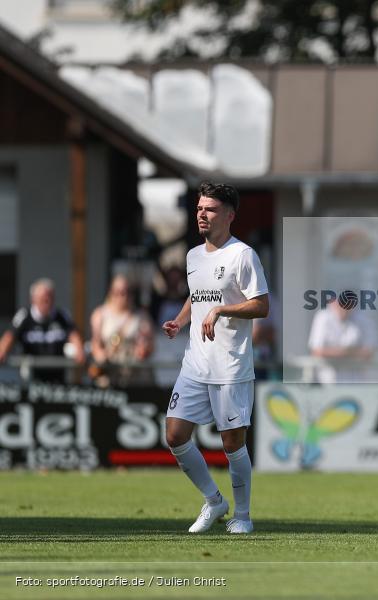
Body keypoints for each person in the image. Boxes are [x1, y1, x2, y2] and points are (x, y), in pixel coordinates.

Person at [162, 181, 269, 535]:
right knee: (175, 435)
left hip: (231, 364)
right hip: (196, 361)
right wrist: (179, 321)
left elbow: (261, 304)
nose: (201, 215)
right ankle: (214, 500)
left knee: (231, 443)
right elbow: (198, 296)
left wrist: (224, 309)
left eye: (209, 209)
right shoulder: (193, 256)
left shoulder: (243, 255)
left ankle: (243, 516)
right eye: (198, 208)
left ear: (229, 215)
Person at [0, 278, 85, 383]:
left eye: (50, 298)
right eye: (43, 299)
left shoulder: (61, 316)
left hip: (57, 378)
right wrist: (2, 350)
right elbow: (9, 336)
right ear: (33, 299)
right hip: (32, 378)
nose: (47, 302)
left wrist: (79, 350)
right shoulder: (24, 316)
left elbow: (74, 335)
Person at [89, 274, 155, 388]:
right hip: (109, 376)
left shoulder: (142, 317)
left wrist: (144, 350)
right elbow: (96, 343)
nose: (123, 296)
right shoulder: (100, 314)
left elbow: (150, 345)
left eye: (127, 292)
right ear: (111, 292)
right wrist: (101, 357)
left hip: (134, 376)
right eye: (118, 292)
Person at [307, 295, 377, 383]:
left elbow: (368, 352)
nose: (344, 309)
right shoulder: (323, 317)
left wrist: (335, 352)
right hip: (327, 380)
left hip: (355, 381)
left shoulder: (363, 319)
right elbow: (317, 351)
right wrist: (351, 352)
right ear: (333, 302)